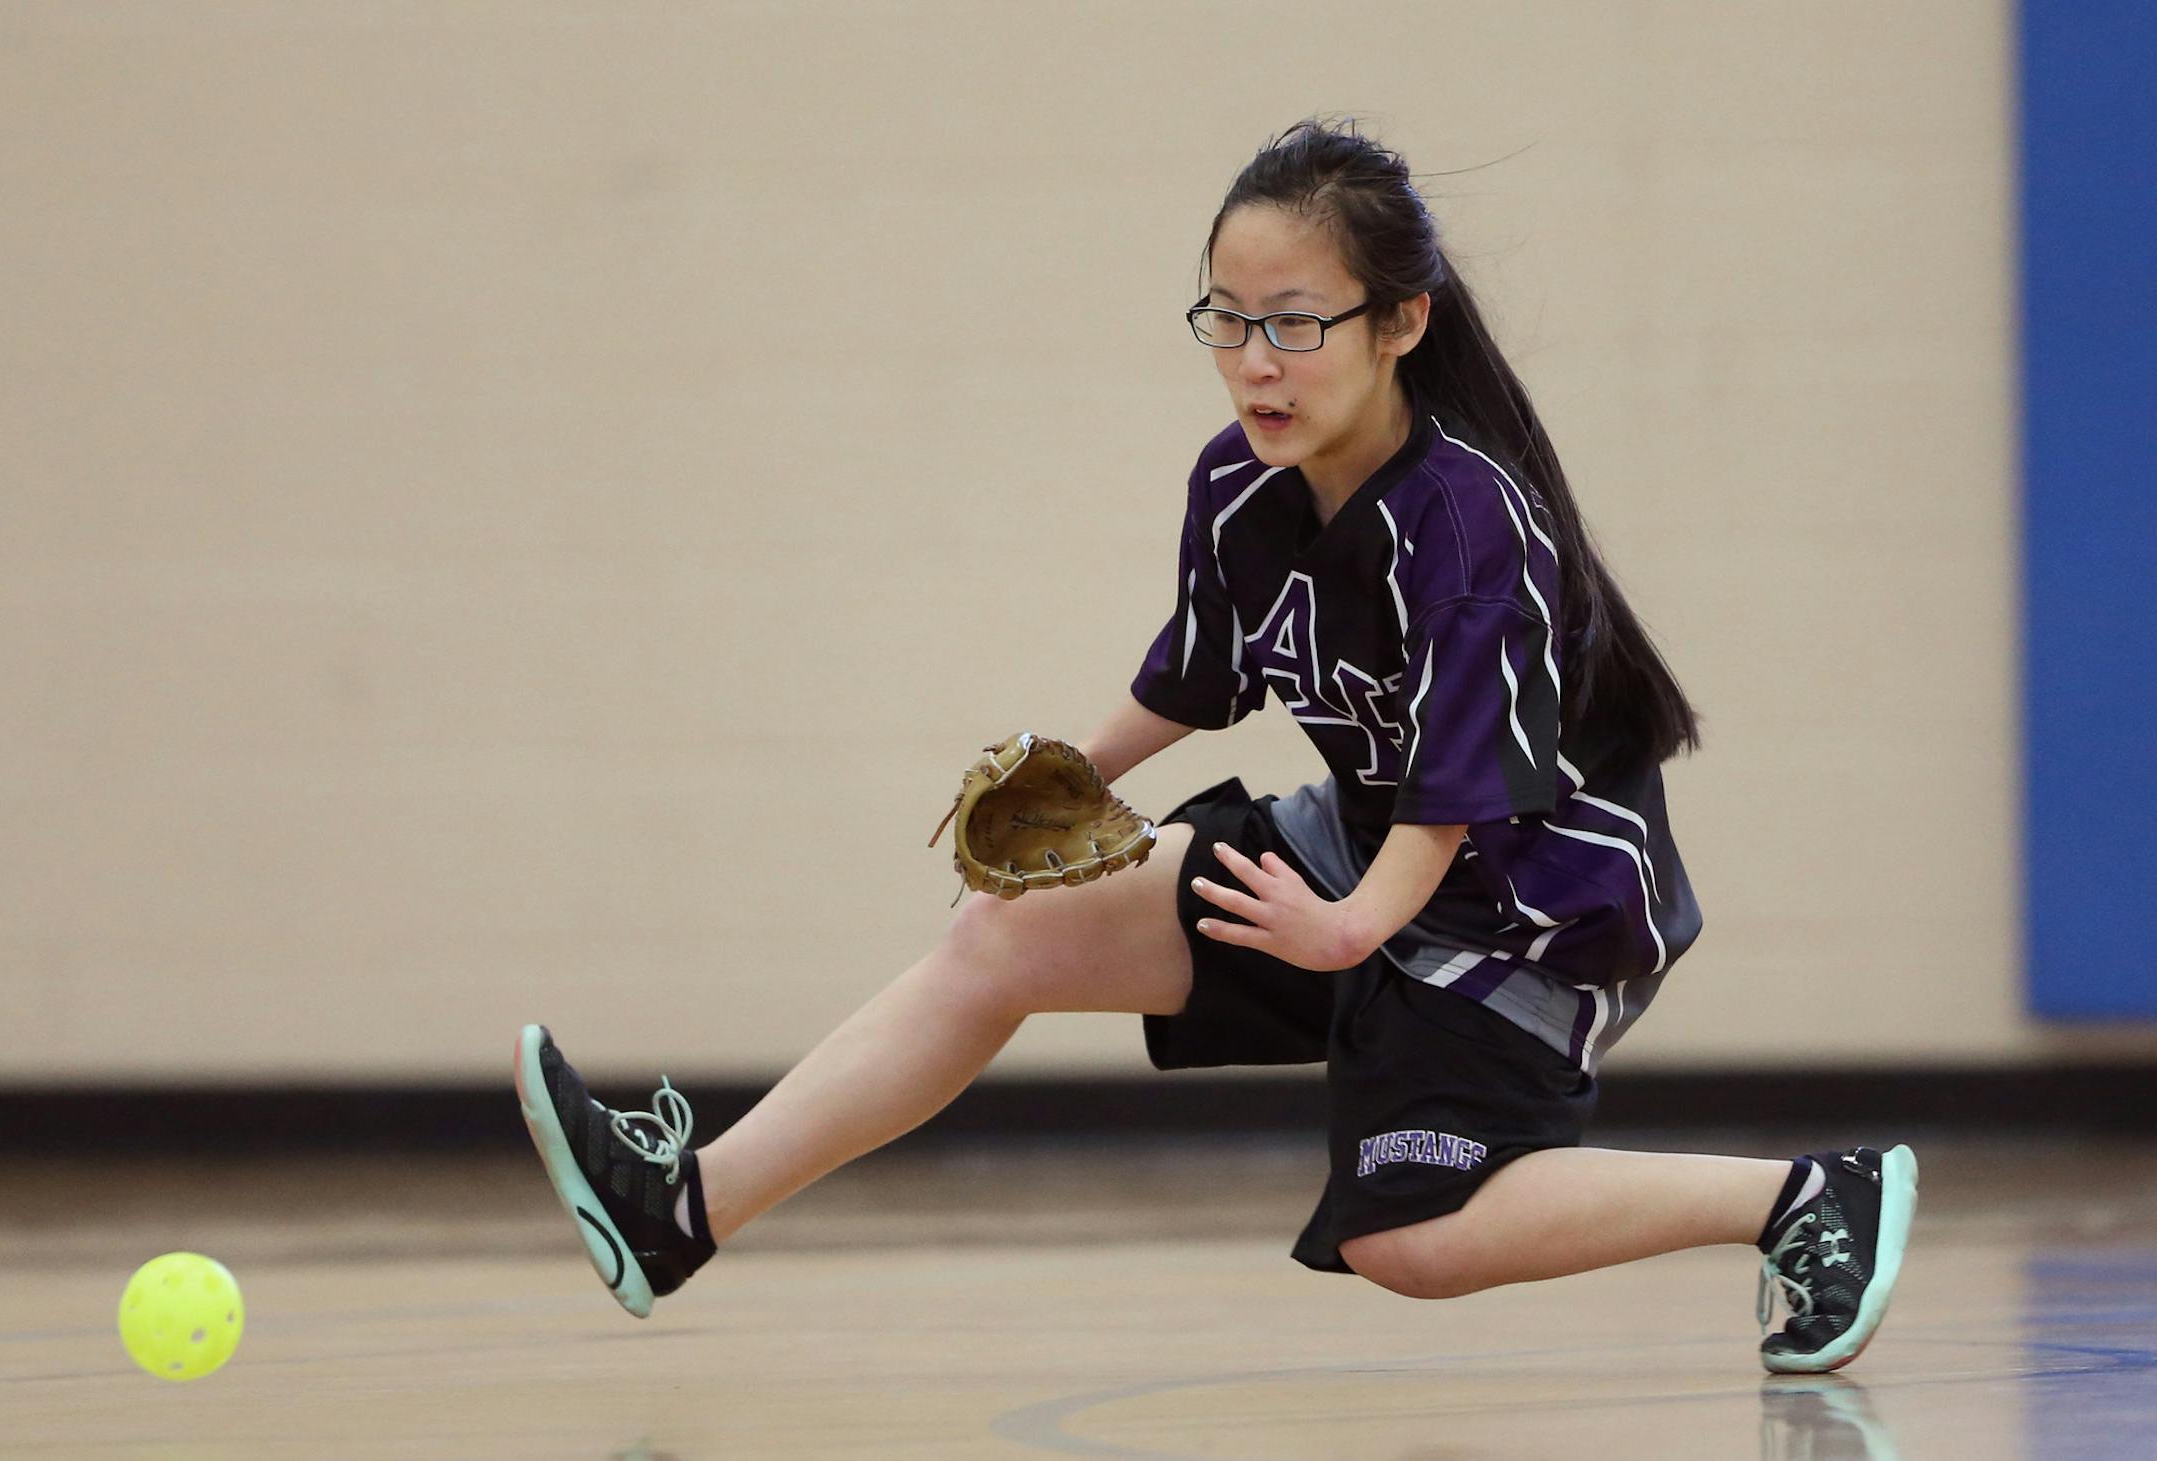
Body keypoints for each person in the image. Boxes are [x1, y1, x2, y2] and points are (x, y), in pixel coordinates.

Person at [514, 117, 1917, 1374]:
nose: (1256, 359)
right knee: (1007, 934)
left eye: (1296, 324)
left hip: (1530, 897)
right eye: (1228, 319)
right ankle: (681, 1207)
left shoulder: (1473, 520)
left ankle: (1803, 1195)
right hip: (1366, 848)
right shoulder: (1240, 479)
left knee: (1410, 1238)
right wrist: (1070, 773)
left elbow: (1454, 794)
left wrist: (1345, 932)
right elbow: (1197, 677)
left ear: (1402, 323)